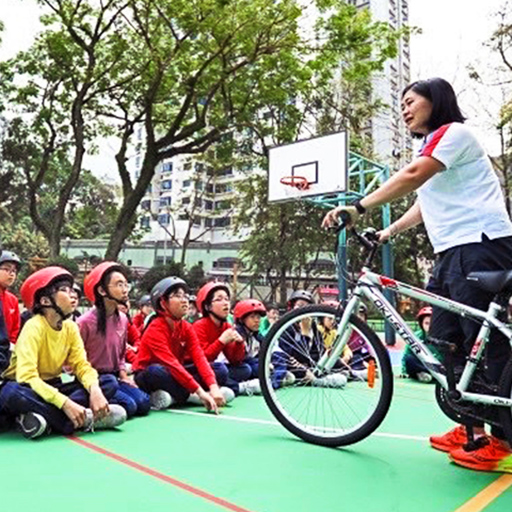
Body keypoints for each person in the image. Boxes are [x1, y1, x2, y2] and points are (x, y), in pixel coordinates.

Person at [322, 77, 512, 472]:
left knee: (483, 340)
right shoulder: (435, 150)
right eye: (402, 104)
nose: (404, 109)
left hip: (478, 244)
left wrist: (358, 207)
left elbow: (411, 176)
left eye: (411, 101)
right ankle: (471, 427)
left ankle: (503, 439)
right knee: (447, 340)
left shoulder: (454, 134)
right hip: (450, 253)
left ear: (435, 101)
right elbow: (424, 202)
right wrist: (388, 231)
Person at [0, 266, 126, 439]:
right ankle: (81, 419)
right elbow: (27, 377)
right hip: (27, 387)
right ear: (45, 301)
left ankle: (43, 418)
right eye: (65, 291)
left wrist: (95, 390)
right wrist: (65, 403)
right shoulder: (34, 326)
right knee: (11, 393)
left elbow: (81, 365)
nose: (72, 295)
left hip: (52, 386)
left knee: (108, 382)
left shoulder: (71, 327)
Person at [133, 277, 234, 413]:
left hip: (176, 373)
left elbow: (199, 357)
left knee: (220, 370)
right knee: (155, 372)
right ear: (163, 303)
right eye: (177, 296)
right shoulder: (155, 329)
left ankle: (173, 397)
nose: (184, 300)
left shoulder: (186, 327)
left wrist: (214, 386)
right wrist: (200, 393)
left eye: (185, 295)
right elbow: (171, 364)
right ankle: (191, 398)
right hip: (154, 374)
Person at [78, 262, 150, 418]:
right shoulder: (84, 322)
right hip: (93, 379)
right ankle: (89, 415)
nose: (125, 290)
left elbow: (121, 354)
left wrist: (124, 377)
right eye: (119, 284)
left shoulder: (123, 319)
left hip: (114, 377)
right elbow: (72, 361)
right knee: (128, 406)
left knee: (144, 403)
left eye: (126, 284)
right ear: (102, 290)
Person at [192, 282, 260, 396]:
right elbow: (202, 359)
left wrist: (239, 343)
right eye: (219, 299)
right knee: (220, 370)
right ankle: (239, 387)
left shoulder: (226, 326)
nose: (226, 303)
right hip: (196, 368)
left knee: (245, 369)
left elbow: (234, 360)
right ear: (207, 306)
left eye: (227, 299)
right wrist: (221, 341)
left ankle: (224, 386)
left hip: (213, 369)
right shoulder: (199, 326)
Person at [231, 299, 268, 395]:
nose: (257, 320)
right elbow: (238, 358)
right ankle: (242, 386)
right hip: (233, 367)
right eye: (252, 317)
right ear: (242, 319)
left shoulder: (256, 336)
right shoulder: (236, 334)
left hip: (248, 365)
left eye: (259, 317)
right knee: (248, 369)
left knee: (263, 367)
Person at [402, 306, 437, 383]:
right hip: (421, 364)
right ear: (421, 324)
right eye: (426, 323)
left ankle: (425, 374)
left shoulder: (441, 336)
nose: (429, 327)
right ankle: (423, 374)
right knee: (409, 359)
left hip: (437, 365)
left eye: (431, 323)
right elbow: (407, 353)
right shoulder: (416, 336)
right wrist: (403, 371)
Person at [0, 251, 21, 345]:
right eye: (7, 269)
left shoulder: (13, 300)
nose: (11, 274)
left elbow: (15, 329)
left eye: (14, 271)